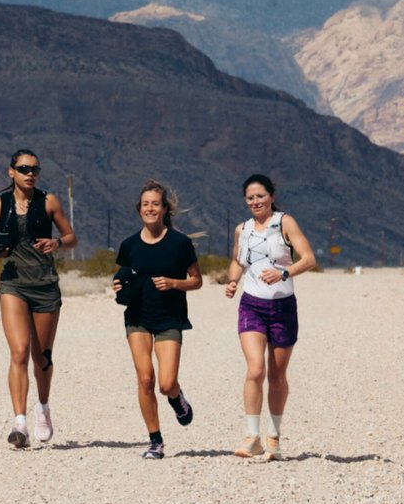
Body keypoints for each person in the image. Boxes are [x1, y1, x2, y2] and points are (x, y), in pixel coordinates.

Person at [0, 149, 76, 448]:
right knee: (19, 351)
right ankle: (19, 423)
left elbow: (72, 237)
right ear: (11, 172)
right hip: (13, 284)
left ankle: (43, 409)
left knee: (41, 358)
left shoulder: (49, 202)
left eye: (34, 169)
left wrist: (57, 242)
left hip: (45, 285)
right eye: (23, 168)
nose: (29, 173)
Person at [224, 174, 316, 461]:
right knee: (255, 370)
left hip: (282, 308)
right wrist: (232, 281)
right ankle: (252, 438)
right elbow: (239, 260)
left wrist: (283, 272)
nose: (255, 202)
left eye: (260, 196)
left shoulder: (284, 223)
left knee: (276, 375)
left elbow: (309, 259)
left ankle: (273, 436)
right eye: (250, 198)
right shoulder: (243, 229)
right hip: (251, 305)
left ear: (271, 196)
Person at [112, 180, 202, 460]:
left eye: (155, 204)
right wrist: (117, 286)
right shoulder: (128, 245)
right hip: (137, 316)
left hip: (169, 318)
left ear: (164, 209)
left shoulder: (180, 243)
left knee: (165, 383)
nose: (150, 208)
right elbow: (123, 277)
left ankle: (177, 398)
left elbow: (197, 281)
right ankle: (155, 441)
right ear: (139, 209)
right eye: (145, 204)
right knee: (145, 378)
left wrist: (175, 283)